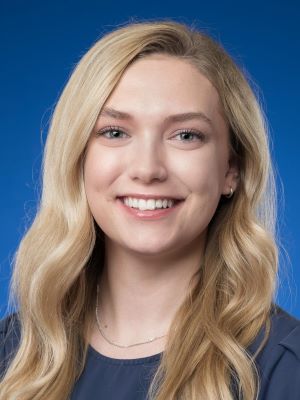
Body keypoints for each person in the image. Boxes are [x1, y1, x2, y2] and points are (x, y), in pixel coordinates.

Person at [0, 19, 299, 400]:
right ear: (78, 158)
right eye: (114, 132)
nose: (147, 169)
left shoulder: (284, 368)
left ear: (231, 170)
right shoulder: (13, 354)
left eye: (186, 135)